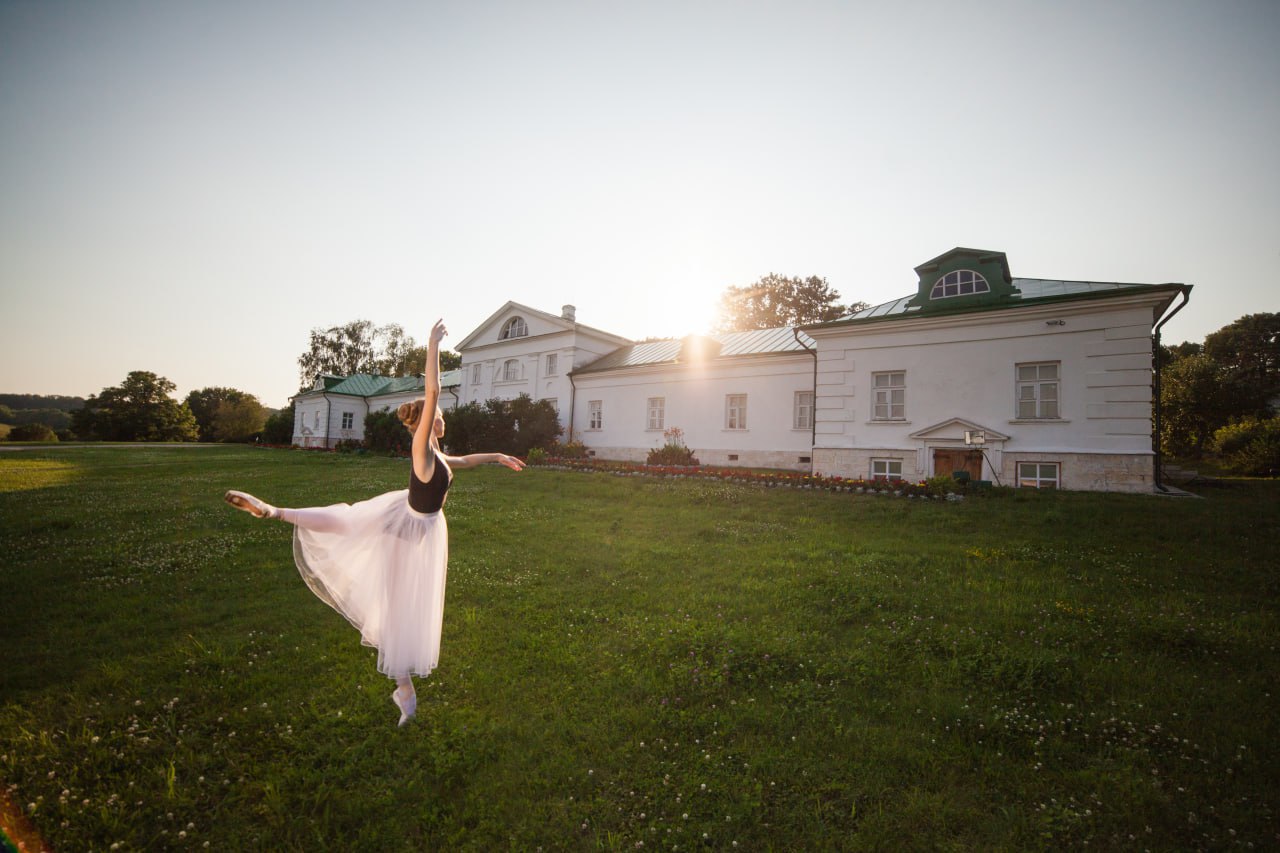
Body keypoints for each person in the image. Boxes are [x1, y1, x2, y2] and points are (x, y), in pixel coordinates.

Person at [223, 320, 524, 726]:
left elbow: (465, 461)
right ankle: (273, 511)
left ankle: (404, 691)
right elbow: (434, 391)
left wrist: (499, 456)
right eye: (435, 415)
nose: (441, 416)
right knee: (363, 555)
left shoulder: (436, 452)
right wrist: (431, 345)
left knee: (357, 539)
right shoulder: (422, 449)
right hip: (406, 529)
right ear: (425, 422)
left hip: (417, 524)